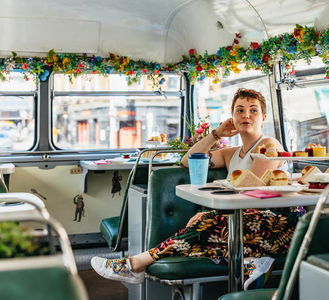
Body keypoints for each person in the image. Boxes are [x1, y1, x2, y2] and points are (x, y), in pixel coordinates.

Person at [91, 88, 304, 286]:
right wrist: (216, 134)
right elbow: (188, 160)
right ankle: (254, 260)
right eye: (240, 110)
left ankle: (136, 264)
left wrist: (210, 213)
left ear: (263, 118)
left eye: (253, 110)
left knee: (207, 223)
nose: (246, 115)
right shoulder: (231, 154)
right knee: (207, 227)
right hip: (245, 223)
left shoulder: (269, 145)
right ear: (232, 117)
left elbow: (249, 191)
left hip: (278, 223)